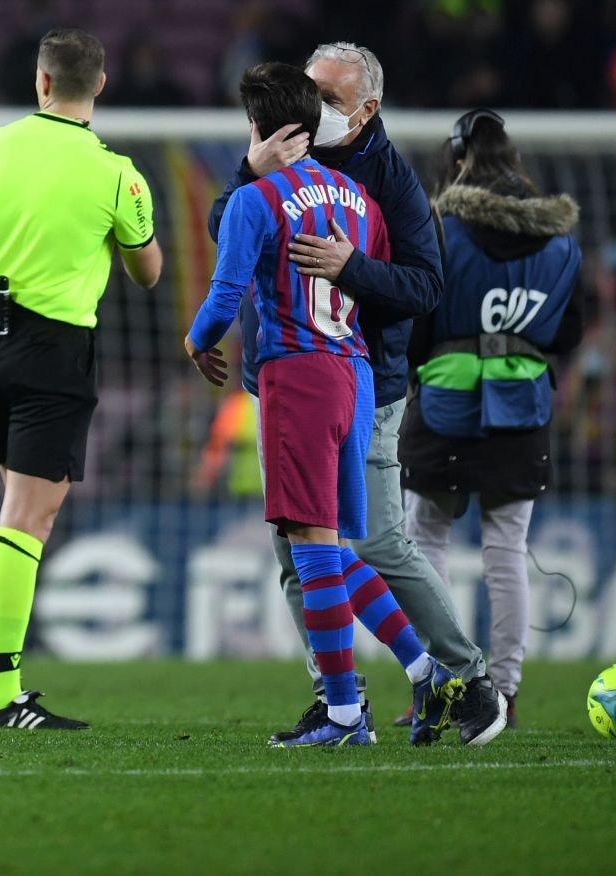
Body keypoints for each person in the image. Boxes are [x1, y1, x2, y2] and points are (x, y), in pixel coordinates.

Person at [207, 41, 506, 747]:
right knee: (294, 551)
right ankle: (339, 698)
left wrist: (354, 268)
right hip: (284, 375)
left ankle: (469, 680)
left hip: (365, 381)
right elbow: (230, 235)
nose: (314, 109)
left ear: (367, 110)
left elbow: (428, 288)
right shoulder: (280, 149)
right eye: (311, 91)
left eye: (332, 100)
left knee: (371, 540)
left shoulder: (391, 182)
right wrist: (247, 170)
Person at [0, 27, 163, 730]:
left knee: (14, 511)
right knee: (31, 516)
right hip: (55, 347)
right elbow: (151, 273)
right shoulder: (118, 174)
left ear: (42, 82)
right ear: (101, 87)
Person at [403, 111, 584, 732]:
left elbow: (417, 323)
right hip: (523, 409)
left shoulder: (442, 231)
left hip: (445, 406)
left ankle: (445, 685)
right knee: (505, 552)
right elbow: (568, 333)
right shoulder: (562, 242)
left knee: (424, 543)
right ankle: (503, 692)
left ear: (458, 160)